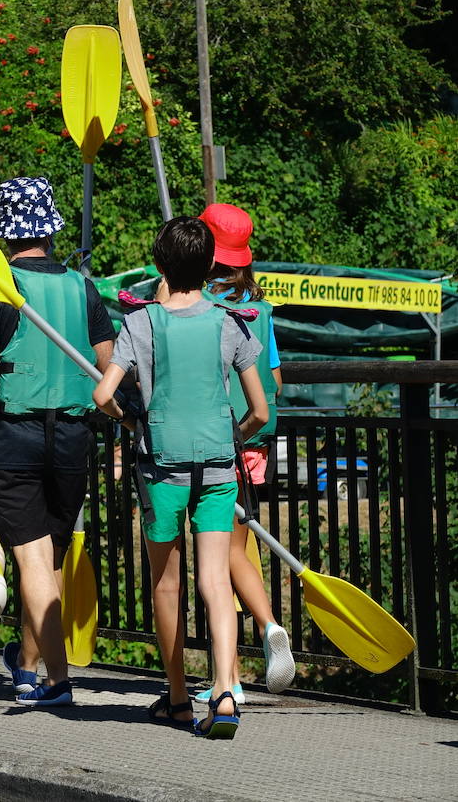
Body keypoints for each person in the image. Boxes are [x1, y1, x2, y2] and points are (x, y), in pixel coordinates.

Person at [93, 217, 269, 738]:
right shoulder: (230, 322)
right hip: (218, 465)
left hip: (160, 467)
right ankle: (224, 693)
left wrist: (133, 422)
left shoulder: (139, 323)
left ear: (161, 266)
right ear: (211, 266)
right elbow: (259, 409)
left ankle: (175, 698)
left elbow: (104, 396)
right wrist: (229, 433)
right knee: (216, 581)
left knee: (166, 584)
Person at [0, 177, 115, 707]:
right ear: (49, 229)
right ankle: (25, 664)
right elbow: (109, 369)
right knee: (49, 560)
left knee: (34, 562)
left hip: (14, 438)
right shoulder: (83, 287)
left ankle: (58, 683)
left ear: (8, 230)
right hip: (72, 437)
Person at [198, 203, 296, 697]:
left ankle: (232, 671)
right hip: (252, 443)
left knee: (211, 564)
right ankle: (264, 633)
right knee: (233, 551)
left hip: (207, 444)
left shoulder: (192, 303)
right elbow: (273, 379)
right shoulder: (260, 310)